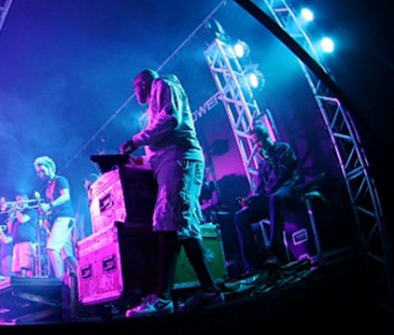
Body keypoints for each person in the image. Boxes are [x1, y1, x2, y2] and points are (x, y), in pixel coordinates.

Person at [119, 69, 223, 317]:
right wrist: (139, 161)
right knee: (181, 225)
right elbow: (161, 140)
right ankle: (210, 290)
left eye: (135, 88)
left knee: (167, 219)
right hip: (174, 160)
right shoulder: (157, 95)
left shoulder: (162, 85)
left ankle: (163, 298)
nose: (135, 94)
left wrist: (136, 139)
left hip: (180, 160)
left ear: (142, 83)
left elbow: (169, 120)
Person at [234, 124, 300, 274]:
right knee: (240, 217)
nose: (257, 145)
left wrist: (269, 159)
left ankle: (276, 253)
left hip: (289, 189)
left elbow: (283, 174)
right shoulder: (262, 164)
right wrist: (250, 200)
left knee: (275, 198)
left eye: (259, 141)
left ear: (266, 137)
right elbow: (261, 190)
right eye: (255, 143)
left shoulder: (283, 149)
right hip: (271, 198)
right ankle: (252, 265)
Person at [33, 156, 77, 279]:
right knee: (67, 255)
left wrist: (49, 205)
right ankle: (82, 277)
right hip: (58, 219)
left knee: (51, 247)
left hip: (64, 217)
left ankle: (60, 280)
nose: (40, 174)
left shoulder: (60, 180)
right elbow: (51, 208)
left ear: (50, 167)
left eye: (42, 170)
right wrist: (47, 216)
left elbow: (66, 196)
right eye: (38, 172)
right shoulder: (48, 187)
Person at [0, 193, 39, 277]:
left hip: (27, 242)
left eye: (19, 199)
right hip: (17, 245)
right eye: (16, 200)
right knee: (17, 270)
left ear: (26, 200)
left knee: (27, 268)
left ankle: (31, 288)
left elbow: (22, 219)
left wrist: (16, 210)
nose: (16, 202)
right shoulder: (16, 217)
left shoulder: (31, 211)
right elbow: (10, 231)